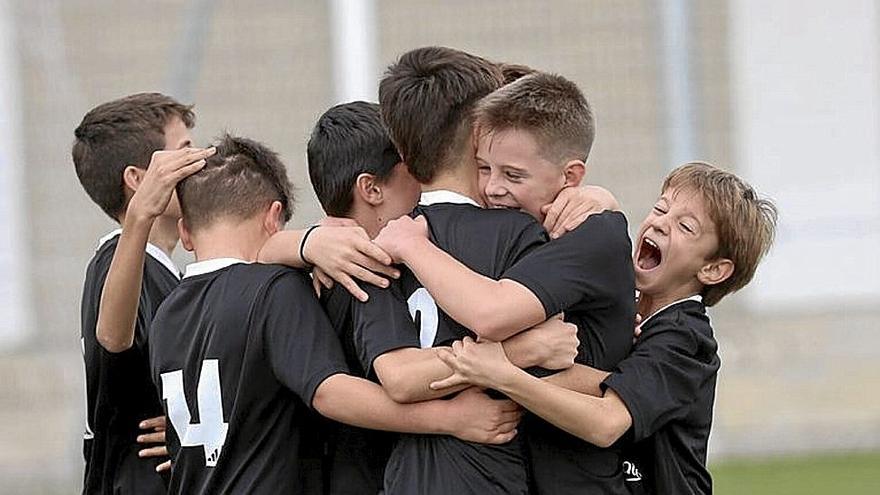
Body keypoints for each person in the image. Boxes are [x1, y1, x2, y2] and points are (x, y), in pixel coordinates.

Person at [148, 134, 522, 494]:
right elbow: (329, 393)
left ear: (185, 232)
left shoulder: (166, 313)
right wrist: (449, 419)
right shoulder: (274, 288)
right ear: (273, 216)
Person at [432, 162, 779, 495]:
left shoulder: (686, 340)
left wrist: (503, 374)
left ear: (713, 270)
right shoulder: (623, 308)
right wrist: (600, 200)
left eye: (686, 227)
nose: (661, 224)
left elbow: (605, 423)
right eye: (660, 209)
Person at [374, 71, 635, 493]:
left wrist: (412, 246)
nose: (493, 188)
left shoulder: (591, 235)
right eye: (483, 168)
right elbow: (398, 379)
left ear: (571, 177)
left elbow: (491, 314)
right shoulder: (521, 231)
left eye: (513, 176)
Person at [72, 92, 204, 493]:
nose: (199, 163)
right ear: (138, 179)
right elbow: (112, 337)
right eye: (183, 152)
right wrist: (141, 216)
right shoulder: (118, 261)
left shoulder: (166, 272)